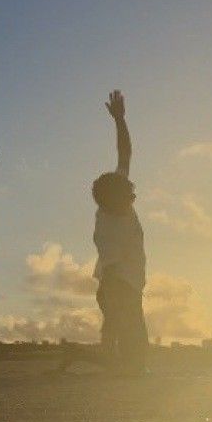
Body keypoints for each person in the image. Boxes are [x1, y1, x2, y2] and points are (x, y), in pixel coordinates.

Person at [57, 90, 148, 375]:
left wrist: (120, 120)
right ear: (112, 202)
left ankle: (80, 353)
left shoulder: (117, 193)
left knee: (131, 358)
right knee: (132, 357)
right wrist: (112, 312)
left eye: (129, 194)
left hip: (129, 285)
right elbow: (109, 272)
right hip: (118, 287)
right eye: (126, 198)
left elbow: (124, 153)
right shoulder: (107, 226)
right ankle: (86, 354)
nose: (131, 199)